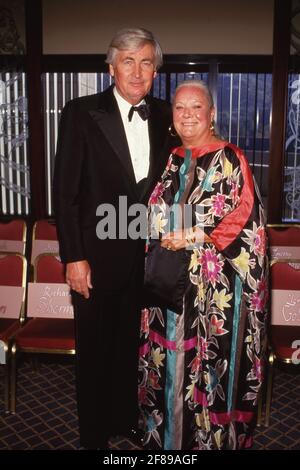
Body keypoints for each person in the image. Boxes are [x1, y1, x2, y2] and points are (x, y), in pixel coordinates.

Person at [53, 28, 175, 449]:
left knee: (131, 347)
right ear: (111, 68)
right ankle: (93, 433)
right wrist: (73, 257)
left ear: (156, 71)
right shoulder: (81, 113)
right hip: (94, 259)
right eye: (128, 61)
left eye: (146, 62)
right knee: (94, 349)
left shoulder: (165, 115)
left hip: (147, 259)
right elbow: (65, 194)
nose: (138, 71)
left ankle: (125, 418)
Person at [139, 80, 268, 450]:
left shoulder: (230, 158)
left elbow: (242, 216)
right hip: (168, 282)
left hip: (211, 291)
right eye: (180, 108)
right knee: (168, 363)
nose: (188, 115)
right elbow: (153, 210)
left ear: (212, 114)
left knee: (205, 368)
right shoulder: (173, 157)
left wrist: (191, 235)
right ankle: (168, 442)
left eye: (196, 107)